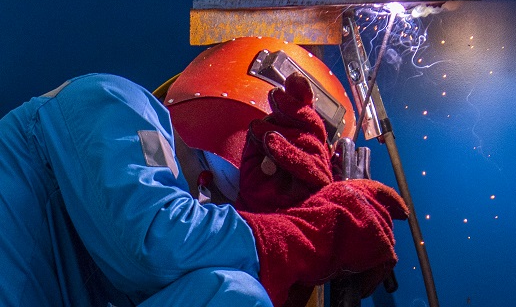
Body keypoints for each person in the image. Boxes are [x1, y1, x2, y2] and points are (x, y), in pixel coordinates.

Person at [0, 37, 409, 307]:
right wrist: (303, 236)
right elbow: (152, 242)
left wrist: (288, 267)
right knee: (234, 295)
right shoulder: (112, 100)